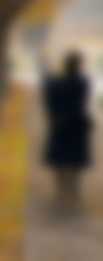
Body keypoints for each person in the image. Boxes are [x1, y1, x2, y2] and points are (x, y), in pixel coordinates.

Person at [42, 51, 94, 206]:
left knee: (60, 156)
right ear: (77, 65)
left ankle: (62, 187)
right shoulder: (82, 82)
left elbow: (49, 100)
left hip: (61, 124)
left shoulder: (54, 83)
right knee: (75, 158)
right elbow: (83, 98)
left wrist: (55, 116)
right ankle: (72, 187)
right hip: (76, 123)